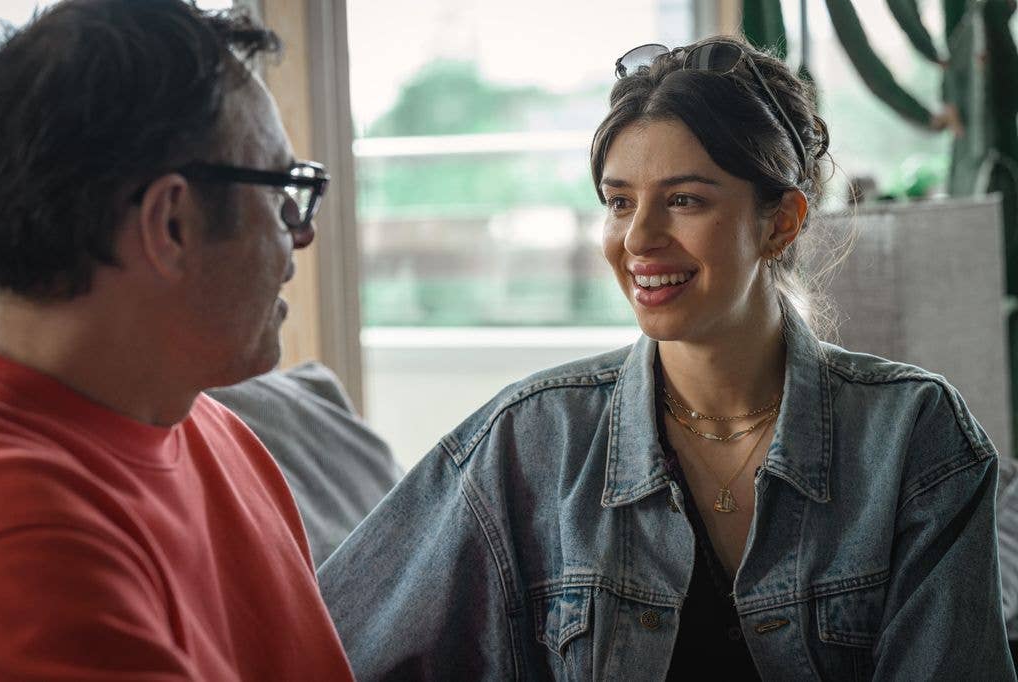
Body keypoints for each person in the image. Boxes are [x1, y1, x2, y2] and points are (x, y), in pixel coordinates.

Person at [318, 36, 1015, 680]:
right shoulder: (529, 442)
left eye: (683, 199)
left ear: (781, 221)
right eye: (619, 202)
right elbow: (325, 646)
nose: (638, 238)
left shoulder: (915, 436)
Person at [0, 1, 354, 679]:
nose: (300, 233)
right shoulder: (25, 534)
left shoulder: (215, 428)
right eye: (280, 192)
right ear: (173, 222)